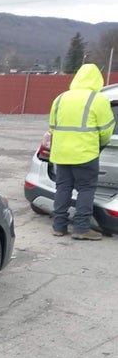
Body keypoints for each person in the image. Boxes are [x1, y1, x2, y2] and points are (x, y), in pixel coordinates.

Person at [48, 63, 115, 240]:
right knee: (86, 189)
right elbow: (107, 128)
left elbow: (52, 127)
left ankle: (58, 226)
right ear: (97, 80)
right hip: (85, 153)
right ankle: (81, 228)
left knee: (63, 187)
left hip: (61, 153)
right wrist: (101, 144)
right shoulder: (98, 99)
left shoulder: (61, 98)